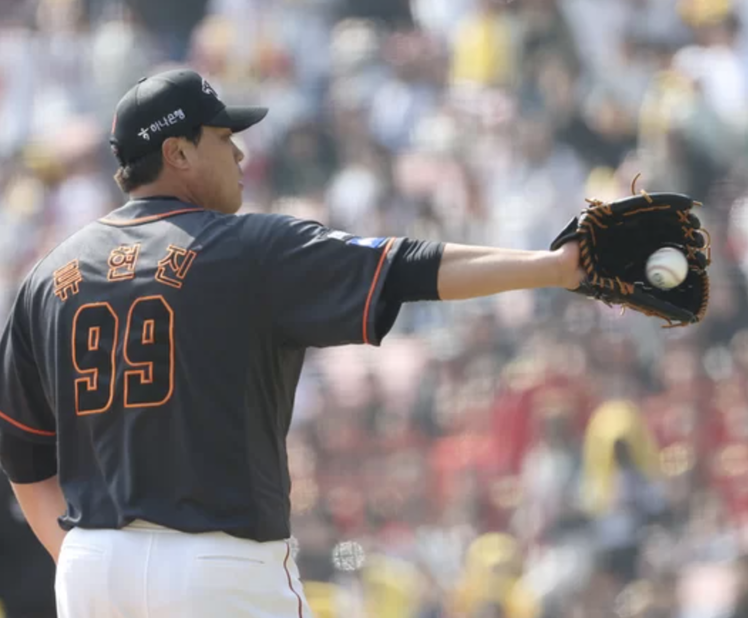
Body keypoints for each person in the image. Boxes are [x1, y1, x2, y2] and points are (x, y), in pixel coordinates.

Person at [0, 69, 582, 618]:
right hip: (218, 563)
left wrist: (85, 563)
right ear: (177, 153)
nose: (240, 154)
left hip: (92, 566)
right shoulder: (245, 247)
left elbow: (23, 458)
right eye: (223, 138)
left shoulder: (46, 278)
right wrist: (554, 267)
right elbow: (405, 266)